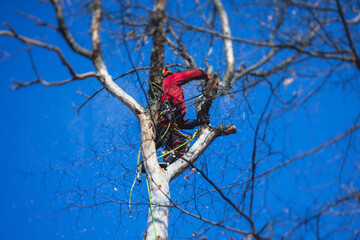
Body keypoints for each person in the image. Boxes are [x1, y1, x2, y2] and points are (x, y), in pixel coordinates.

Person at [155, 67, 211, 165]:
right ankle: (152, 160)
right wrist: (205, 75)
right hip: (164, 119)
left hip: (168, 123)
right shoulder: (171, 79)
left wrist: (198, 122)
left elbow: (180, 123)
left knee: (174, 142)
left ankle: (167, 161)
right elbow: (189, 75)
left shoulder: (163, 89)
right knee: (171, 141)